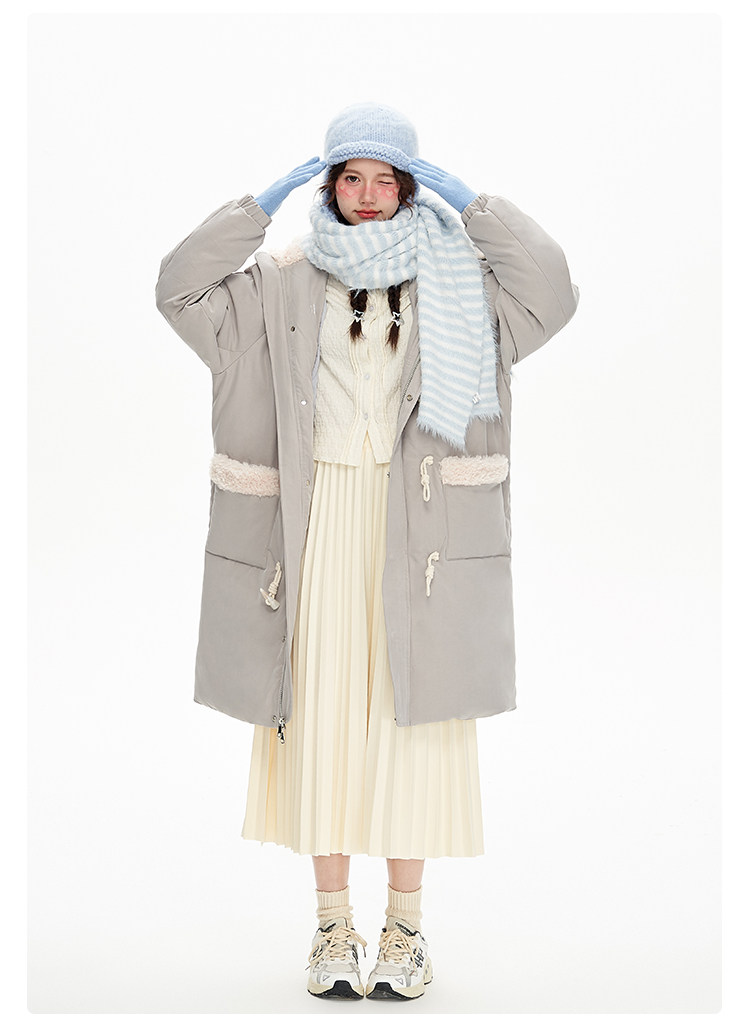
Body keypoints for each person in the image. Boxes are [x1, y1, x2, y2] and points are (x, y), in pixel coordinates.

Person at [155, 102, 579, 1002]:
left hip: (421, 536)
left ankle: (406, 930)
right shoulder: (276, 283)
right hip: (312, 531)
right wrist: (256, 207)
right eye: (351, 176)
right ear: (328, 185)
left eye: (388, 178)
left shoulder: (463, 285)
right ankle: (331, 928)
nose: (370, 194)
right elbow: (179, 290)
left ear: (413, 187)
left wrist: (477, 206)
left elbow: (552, 291)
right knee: (322, 725)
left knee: (408, 730)